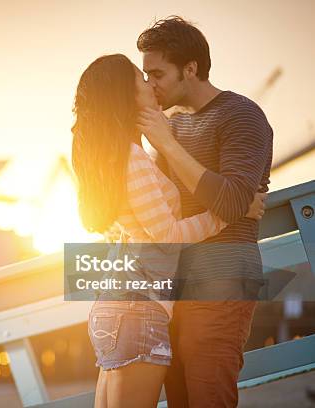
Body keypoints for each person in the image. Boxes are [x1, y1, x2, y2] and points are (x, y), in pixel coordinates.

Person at [71, 54, 265, 408]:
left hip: (118, 306)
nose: (150, 84)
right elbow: (167, 234)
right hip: (138, 309)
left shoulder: (116, 157)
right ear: (127, 97)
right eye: (141, 78)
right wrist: (231, 214)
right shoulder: (132, 159)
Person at [136, 16, 273, 407]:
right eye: (146, 75)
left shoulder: (241, 115)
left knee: (208, 395)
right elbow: (155, 210)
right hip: (174, 284)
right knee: (180, 399)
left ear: (190, 68)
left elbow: (231, 202)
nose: (150, 84)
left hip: (222, 276)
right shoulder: (172, 126)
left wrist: (165, 141)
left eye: (157, 73)